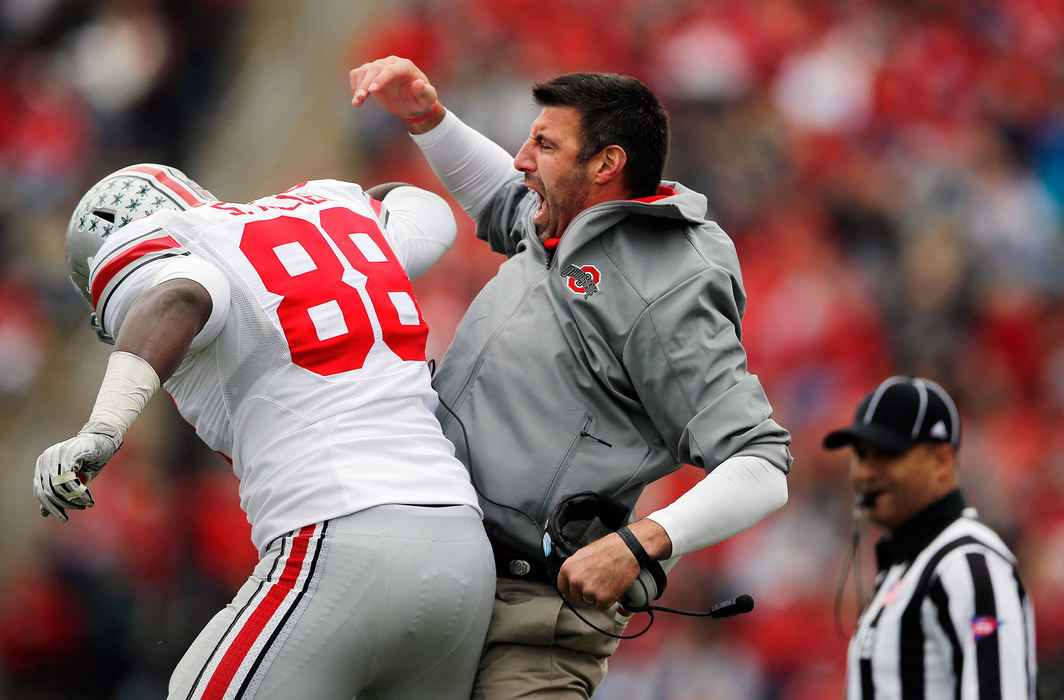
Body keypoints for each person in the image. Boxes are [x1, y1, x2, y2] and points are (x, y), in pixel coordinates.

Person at [350, 56, 792, 697]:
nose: (522, 157)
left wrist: (643, 543)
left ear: (606, 164)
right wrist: (427, 116)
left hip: (528, 614)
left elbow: (760, 461)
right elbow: (499, 197)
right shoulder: (561, 221)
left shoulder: (673, 283)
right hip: (431, 564)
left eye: (544, 143)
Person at [32, 163, 495, 699]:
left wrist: (104, 427)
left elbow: (181, 294)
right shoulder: (333, 215)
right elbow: (424, 210)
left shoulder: (186, 253)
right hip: (461, 548)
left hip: (338, 539)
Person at [823, 375, 1037, 699]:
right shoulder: (910, 564)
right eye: (861, 455)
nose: (865, 472)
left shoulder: (968, 564)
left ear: (941, 461)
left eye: (886, 455)